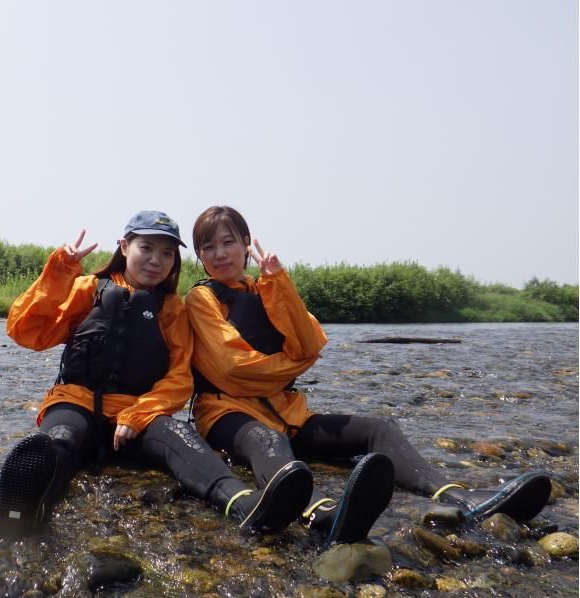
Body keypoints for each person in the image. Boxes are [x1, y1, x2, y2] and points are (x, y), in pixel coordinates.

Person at [185, 205, 552, 547]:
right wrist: (294, 365)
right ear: (200, 256)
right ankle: (322, 512)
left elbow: (309, 341)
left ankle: (455, 495)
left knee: (379, 429)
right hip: (226, 414)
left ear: (246, 245)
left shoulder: (269, 288)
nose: (220, 253)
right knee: (269, 442)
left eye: (228, 242)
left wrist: (278, 281)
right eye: (208, 247)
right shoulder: (201, 299)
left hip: (289, 413)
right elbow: (234, 369)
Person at [0, 210, 313, 541]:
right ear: (124, 246)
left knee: (182, 437)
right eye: (146, 248)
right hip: (76, 403)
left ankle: (242, 503)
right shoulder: (89, 289)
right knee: (58, 441)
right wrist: (59, 270)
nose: (156, 261)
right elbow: (25, 330)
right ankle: (22, 515)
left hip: (138, 414)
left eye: (167, 253)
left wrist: (138, 413)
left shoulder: (173, 308)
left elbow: (180, 378)